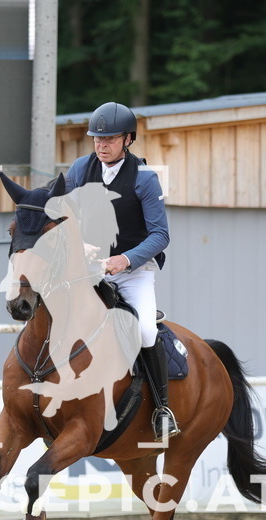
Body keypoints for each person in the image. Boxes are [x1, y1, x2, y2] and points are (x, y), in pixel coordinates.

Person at [64, 101, 180, 441]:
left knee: (145, 330)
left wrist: (125, 259)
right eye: (96, 139)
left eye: (110, 139)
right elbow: (65, 216)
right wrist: (77, 241)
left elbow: (161, 235)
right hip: (88, 271)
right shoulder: (78, 170)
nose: (101, 145)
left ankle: (162, 409)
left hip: (133, 272)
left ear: (128, 139)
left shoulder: (144, 178)